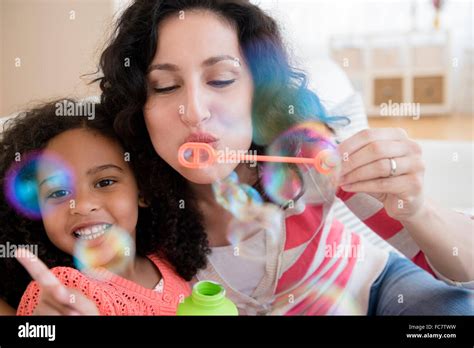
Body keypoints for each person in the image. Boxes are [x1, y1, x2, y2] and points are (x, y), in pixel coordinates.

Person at [95, 0, 473, 315]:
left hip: (377, 289)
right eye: (166, 86)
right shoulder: (134, 202)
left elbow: (463, 270)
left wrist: (419, 209)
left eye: (222, 79)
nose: (194, 111)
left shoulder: (308, 157)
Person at [0, 100, 190, 315]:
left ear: (143, 191)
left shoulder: (168, 260)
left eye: (105, 182)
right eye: (58, 193)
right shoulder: (61, 291)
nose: (82, 205)